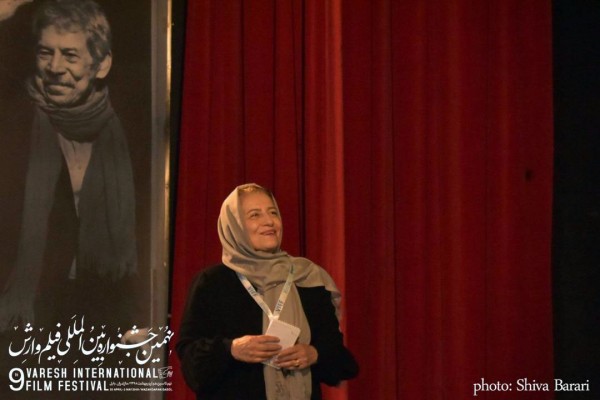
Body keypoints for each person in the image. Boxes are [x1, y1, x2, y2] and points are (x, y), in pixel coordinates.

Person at [0, 0, 138, 331]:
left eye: (70, 55)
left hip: (99, 305)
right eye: (45, 52)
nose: (54, 67)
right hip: (27, 308)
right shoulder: (13, 122)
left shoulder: (125, 132)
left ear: (101, 64)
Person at [177, 183, 359, 399]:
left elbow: (341, 361)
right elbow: (191, 360)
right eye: (255, 215)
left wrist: (314, 354)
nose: (269, 221)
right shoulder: (212, 282)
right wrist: (231, 349)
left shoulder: (307, 278)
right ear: (234, 225)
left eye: (273, 212)